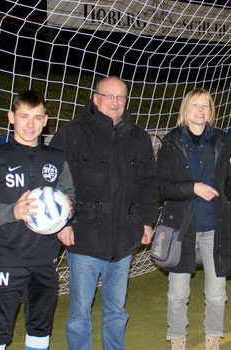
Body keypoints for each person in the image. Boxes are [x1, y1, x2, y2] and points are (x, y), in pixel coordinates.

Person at [49, 76, 158, 350]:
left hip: (123, 240)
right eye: (108, 96)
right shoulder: (72, 133)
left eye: (120, 97)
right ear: (95, 99)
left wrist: (147, 221)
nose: (115, 102)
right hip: (84, 238)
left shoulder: (139, 137)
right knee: (78, 315)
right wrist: (63, 224)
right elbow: (54, 183)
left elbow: (148, 184)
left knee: (116, 311)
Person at [0, 90, 75, 350]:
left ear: (46, 120)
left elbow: (70, 196)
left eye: (36, 118)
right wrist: (11, 212)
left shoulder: (56, 159)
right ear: (11, 117)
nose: (30, 124)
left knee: (40, 328)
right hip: (7, 260)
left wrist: (69, 210)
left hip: (45, 261)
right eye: (23, 116)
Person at [156, 89, 231, 350]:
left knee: (217, 294)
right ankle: (177, 338)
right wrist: (192, 187)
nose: (200, 110)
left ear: (211, 110)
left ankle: (213, 337)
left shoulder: (223, 140)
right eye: (195, 105)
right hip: (181, 230)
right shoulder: (171, 142)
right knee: (178, 293)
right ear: (186, 109)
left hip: (214, 228)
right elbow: (163, 187)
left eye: (205, 105)